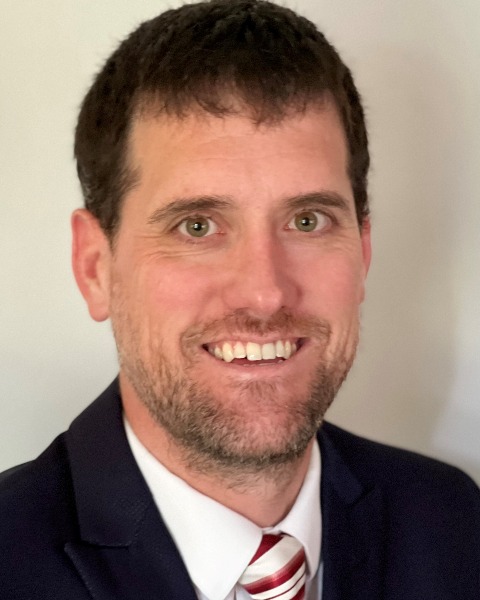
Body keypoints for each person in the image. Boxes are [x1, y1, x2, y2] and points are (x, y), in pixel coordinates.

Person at [1, 1, 479, 598]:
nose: (265, 292)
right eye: (197, 226)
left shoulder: (454, 523)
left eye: (307, 220)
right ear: (95, 267)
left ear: (363, 252)